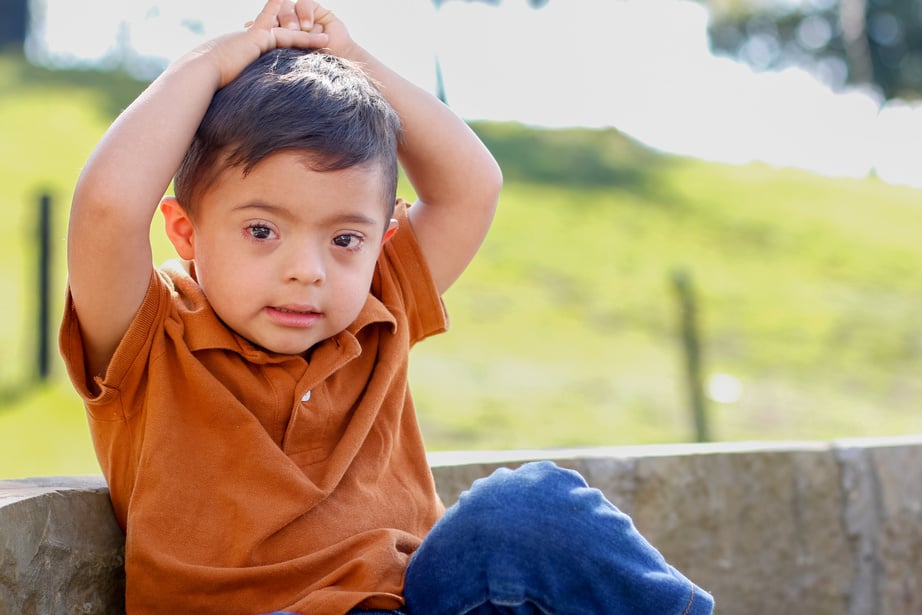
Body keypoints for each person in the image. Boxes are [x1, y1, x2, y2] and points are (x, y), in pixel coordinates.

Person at [59, 1, 714, 614]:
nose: (307, 270)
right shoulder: (149, 335)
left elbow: (471, 185)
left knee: (526, 504)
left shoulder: (381, 300)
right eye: (262, 230)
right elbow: (108, 211)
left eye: (346, 238)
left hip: (413, 601)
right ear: (185, 232)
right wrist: (207, 65)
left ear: (381, 241)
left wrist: (353, 58)